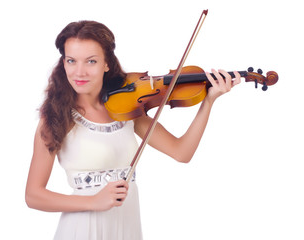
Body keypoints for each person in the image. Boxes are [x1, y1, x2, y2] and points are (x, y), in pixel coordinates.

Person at [25, 20, 241, 240]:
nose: (79, 72)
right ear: (64, 63)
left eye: (91, 61)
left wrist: (208, 102)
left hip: (125, 225)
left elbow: (181, 152)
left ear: (106, 63)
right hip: (82, 228)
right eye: (71, 61)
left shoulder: (127, 109)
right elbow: (33, 195)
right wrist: (92, 201)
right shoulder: (55, 117)